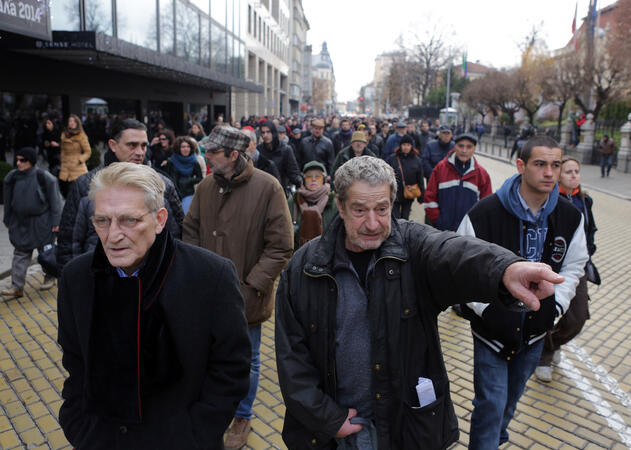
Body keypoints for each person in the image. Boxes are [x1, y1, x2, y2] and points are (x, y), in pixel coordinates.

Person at [275, 155, 566, 450]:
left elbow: (454, 252)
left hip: (403, 427)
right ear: (340, 207)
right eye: (360, 210)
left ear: (393, 204)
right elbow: (291, 358)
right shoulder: (305, 267)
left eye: (382, 209)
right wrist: (325, 417)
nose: (373, 223)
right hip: (335, 430)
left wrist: (505, 269)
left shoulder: (412, 247)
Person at [57, 162, 250, 449]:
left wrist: (193, 434)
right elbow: (75, 363)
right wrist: (81, 427)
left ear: (160, 220)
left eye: (129, 220)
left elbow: (231, 369)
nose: (113, 236)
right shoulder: (76, 277)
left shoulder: (211, 275)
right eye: (102, 221)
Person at [457, 136, 588, 449]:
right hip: (492, 333)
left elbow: (574, 265)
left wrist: (555, 306)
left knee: (508, 404)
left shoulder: (570, 217)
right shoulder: (484, 213)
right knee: (490, 404)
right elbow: (463, 265)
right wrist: (486, 309)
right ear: (521, 165)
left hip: (534, 335)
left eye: (555, 165)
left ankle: (495, 438)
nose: (549, 172)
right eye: (540, 164)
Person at [183, 125, 293, 450]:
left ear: (233, 155)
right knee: (207, 355)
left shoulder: (269, 187)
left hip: (247, 297)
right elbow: (190, 230)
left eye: (213, 152)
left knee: (249, 359)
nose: (207, 156)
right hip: (206, 295)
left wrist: (250, 286)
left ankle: (242, 416)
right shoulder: (205, 186)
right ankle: (212, 410)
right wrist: (196, 271)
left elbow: (281, 246)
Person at [56, 119, 184, 270]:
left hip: (154, 279)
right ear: (113, 145)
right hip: (99, 279)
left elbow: (177, 234)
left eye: (143, 145)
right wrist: (76, 282)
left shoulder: (163, 184)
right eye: (132, 145)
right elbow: (69, 242)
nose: (140, 152)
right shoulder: (84, 185)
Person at [535, 157, 597, 382]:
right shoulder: (551, 201)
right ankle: (544, 355)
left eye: (577, 171)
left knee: (577, 317)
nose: (573, 175)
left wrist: (589, 251)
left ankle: (553, 342)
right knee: (547, 311)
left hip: (576, 266)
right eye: (568, 171)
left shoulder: (585, 200)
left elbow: (590, 231)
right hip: (552, 265)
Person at [1, 147, 61, 298]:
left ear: (31, 162)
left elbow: (55, 201)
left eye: (23, 160)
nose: (18, 163)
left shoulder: (44, 177)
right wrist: (7, 218)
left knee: (46, 253)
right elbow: (7, 201)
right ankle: (17, 286)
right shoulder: (12, 178)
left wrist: (56, 221)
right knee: (20, 253)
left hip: (42, 221)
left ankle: (50, 276)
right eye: (17, 160)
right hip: (20, 222)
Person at [424, 134, 492, 231]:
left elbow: (486, 206)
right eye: (461, 146)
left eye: (469, 147)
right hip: (442, 231)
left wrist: (475, 225)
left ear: (474, 149)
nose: (464, 150)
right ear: (455, 146)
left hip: (468, 233)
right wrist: (438, 220)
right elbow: (429, 197)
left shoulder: (482, 174)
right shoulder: (440, 168)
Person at [288, 161, 337, 249]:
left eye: (318, 176)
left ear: (324, 180)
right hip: (297, 252)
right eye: (309, 176)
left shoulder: (333, 202)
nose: (313, 179)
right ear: (303, 180)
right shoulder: (293, 201)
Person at [159, 136, 203, 213]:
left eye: (188, 146)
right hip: (172, 194)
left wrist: (189, 180)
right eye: (183, 147)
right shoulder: (171, 161)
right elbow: (166, 177)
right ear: (178, 148)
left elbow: (200, 178)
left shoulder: (194, 161)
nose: (186, 149)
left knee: (185, 215)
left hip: (188, 193)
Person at [257, 120, 302, 192]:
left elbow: (293, 173)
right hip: (263, 191)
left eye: (268, 132)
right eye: (263, 132)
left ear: (273, 132)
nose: (265, 135)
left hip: (280, 191)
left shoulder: (286, 149)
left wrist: (303, 183)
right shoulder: (259, 149)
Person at [387, 134, 424, 220]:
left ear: (411, 146)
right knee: (395, 218)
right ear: (400, 146)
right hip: (395, 194)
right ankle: (395, 233)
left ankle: (404, 233)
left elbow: (420, 178)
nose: (406, 147)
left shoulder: (417, 160)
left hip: (409, 194)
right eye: (404, 145)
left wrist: (421, 196)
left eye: (408, 145)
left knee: (405, 217)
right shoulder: (393, 159)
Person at [59, 114, 91, 198]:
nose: (71, 123)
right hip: (65, 166)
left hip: (77, 167)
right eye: (70, 121)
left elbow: (88, 152)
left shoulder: (81, 135)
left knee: (78, 193)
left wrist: (80, 160)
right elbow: (62, 150)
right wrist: (62, 160)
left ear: (77, 123)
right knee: (66, 194)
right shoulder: (64, 135)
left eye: (73, 121)